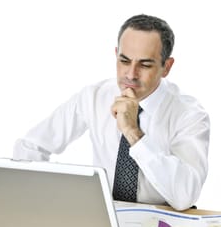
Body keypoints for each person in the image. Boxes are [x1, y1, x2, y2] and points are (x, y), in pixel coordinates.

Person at [13, 14, 210, 211]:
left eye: (145, 64)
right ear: (116, 54)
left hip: (162, 222)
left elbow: (185, 196)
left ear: (166, 67)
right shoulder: (94, 96)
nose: (131, 74)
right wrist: (39, 199)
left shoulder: (189, 114)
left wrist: (134, 133)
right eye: (124, 60)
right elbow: (31, 147)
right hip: (104, 215)